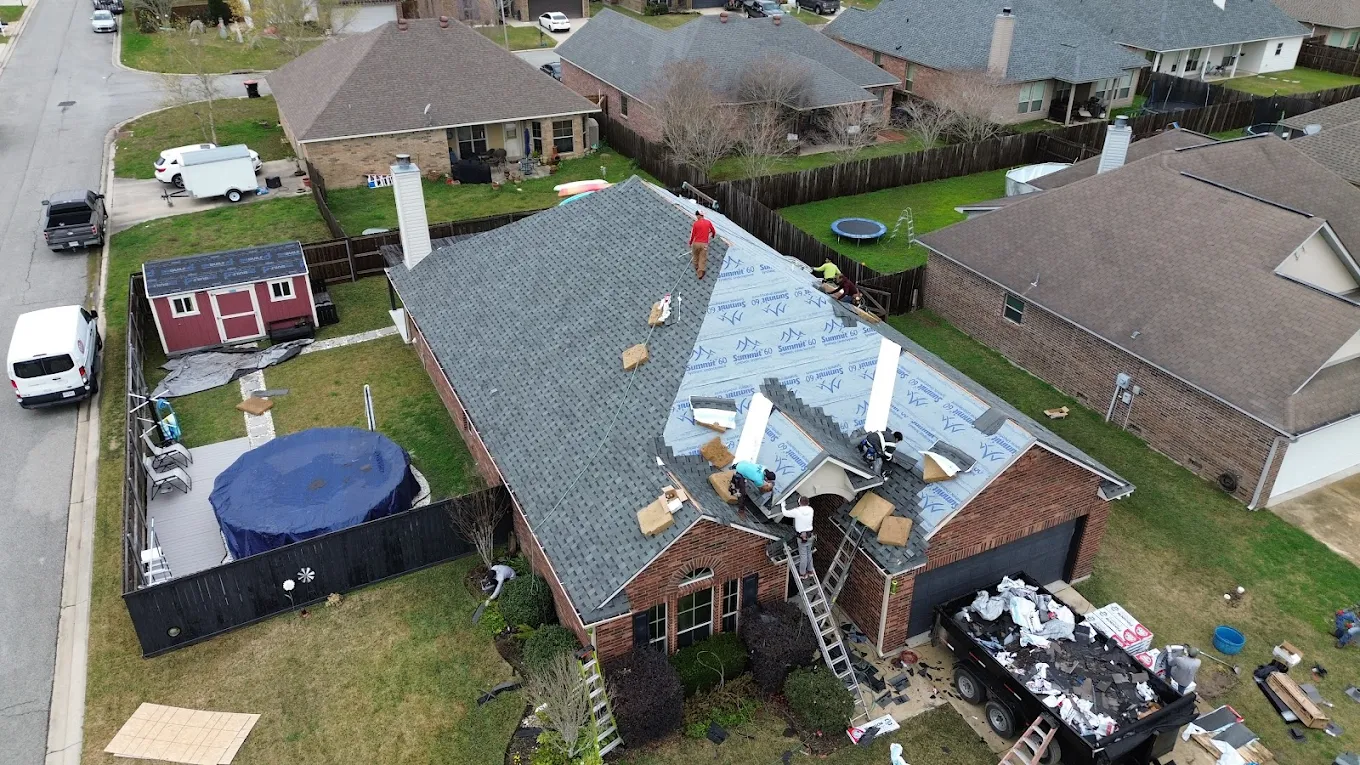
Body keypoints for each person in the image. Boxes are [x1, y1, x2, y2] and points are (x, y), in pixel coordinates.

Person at [784, 497, 815, 580]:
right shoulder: (811, 510)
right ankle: (810, 571)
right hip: (810, 535)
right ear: (808, 503)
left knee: (803, 556)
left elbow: (785, 513)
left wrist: (783, 504)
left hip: (801, 537)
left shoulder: (797, 511)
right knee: (809, 553)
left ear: (799, 502)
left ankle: (803, 573)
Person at [689, 210, 717, 280]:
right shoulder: (708, 222)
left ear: (699, 215)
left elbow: (692, 234)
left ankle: (696, 267)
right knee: (702, 258)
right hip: (704, 244)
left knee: (695, 257)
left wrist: (690, 242)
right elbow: (713, 230)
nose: (696, 217)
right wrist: (713, 235)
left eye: (697, 215)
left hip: (696, 243)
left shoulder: (695, 224)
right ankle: (700, 273)